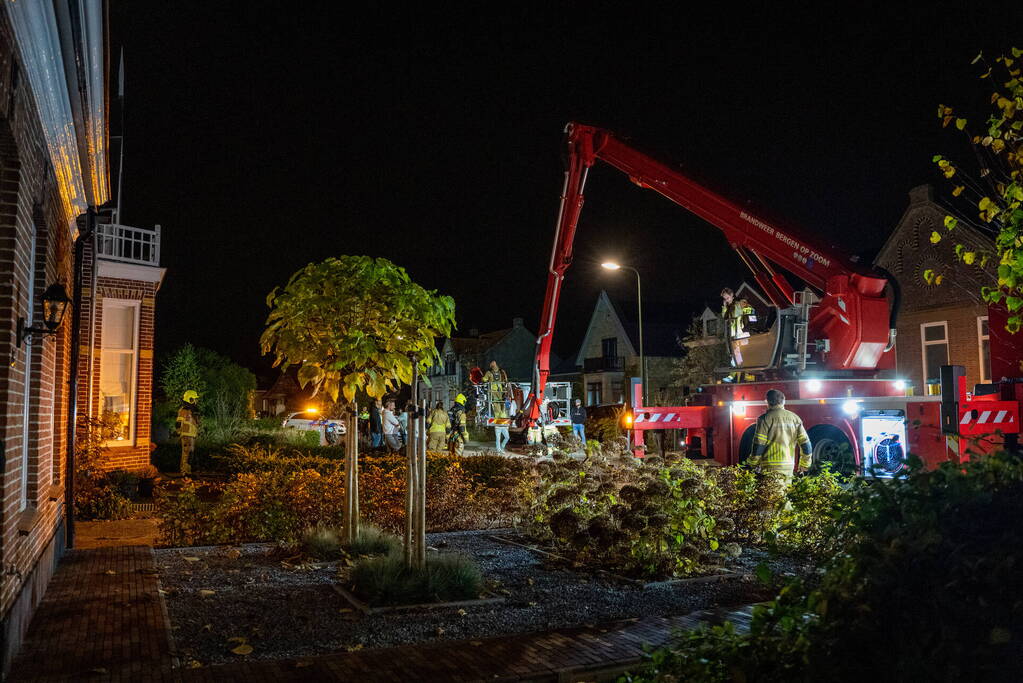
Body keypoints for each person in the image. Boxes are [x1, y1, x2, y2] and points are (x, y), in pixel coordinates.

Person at [750, 389, 812, 486]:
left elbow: (759, 444)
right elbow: (806, 444)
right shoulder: (795, 418)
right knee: (784, 498)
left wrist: (753, 463)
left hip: (770, 467)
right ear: (784, 401)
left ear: (767, 401)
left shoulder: (765, 419)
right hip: (789, 466)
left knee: (773, 498)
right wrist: (805, 464)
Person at [721, 287, 755, 379]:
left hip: (742, 333)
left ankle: (738, 375)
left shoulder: (739, 303)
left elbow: (750, 310)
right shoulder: (728, 307)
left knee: (742, 354)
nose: (726, 300)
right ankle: (742, 375)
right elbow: (724, 317)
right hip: (735, 334)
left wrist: (744, 317)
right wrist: (724, 307)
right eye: (725, 298)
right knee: (737, 355)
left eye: (727, 298)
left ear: (732, 295)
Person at [175, 390, 200, 475]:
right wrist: (178, 432)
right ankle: (184, 472)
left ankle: (188, 472)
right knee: (187, 454)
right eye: (194, 399)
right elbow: (178, 422)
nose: (196, 401)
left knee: (190, 454)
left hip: (191, 435)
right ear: (190, 399)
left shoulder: (192, 410)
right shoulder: (184, 410)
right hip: (186, 435)